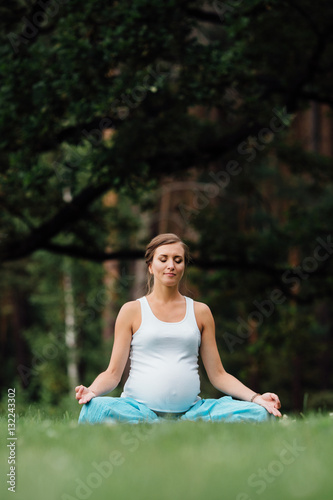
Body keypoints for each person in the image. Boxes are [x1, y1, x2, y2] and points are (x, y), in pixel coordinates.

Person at [76, 233, 281, 424]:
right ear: (150, 266)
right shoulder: (132, 310)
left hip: (193, 413)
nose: (171, 265)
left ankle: (172, 426)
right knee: (94, 409)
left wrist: (256, 398)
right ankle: (153, 423)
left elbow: (218, 374)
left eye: (178, 260)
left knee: (260, 413)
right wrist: (91, 392)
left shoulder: (200, 312)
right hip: (137, 410)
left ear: (183, 266)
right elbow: (112, 374)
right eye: (163, 259)